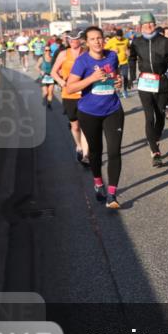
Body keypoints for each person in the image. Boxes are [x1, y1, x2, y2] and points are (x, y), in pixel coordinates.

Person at [64, 26, 125, 209]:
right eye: (93, 39)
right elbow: (70, 88)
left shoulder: (112, 56)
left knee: (114, 151)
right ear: (87, 42)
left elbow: (114, 76)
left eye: (99, 38)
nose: (97, 41)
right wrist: (91, 78)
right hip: (89, 112)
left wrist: (118, 81)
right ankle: (98, 183)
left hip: (113, 109)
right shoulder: (82, 62)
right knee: (96, 151)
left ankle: (112, 194)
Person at [129, 13, 168, 167]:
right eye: (145, 24)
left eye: (151, 23)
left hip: (162, 81)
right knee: (149, 117)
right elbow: (132, 59)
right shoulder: (136, 42)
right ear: (140, 26)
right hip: (145, 82)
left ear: (155, 24)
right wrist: (132, 76)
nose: (149, 26)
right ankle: (155, 151)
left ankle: (155, 139)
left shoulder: (165, 41)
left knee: (161, 115)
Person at [51, 33, 91, 167]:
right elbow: (53, 72)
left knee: (86, 124)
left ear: (81, 40)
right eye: (71, 39)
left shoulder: (86, 53)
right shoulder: (63, 54)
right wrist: (62, 82)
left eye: (76, 39)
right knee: (75, 125)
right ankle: (79, 146)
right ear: (68, 40)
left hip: (85, 94)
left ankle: (86, 154)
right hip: (69, 94)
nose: (74, 41)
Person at [105, 28, 132, 98]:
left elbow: (129, 47)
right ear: (116, 35)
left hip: (124, 62)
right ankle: (117, 90)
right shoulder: (111, 41)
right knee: (116, 77)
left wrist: (128, 52)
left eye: (121, 36)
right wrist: (112, 50)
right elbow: (105, 49)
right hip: (114, 62)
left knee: (125, 76)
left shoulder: (126, 40)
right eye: (118, 36)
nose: (119, 38)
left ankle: (125, 90)